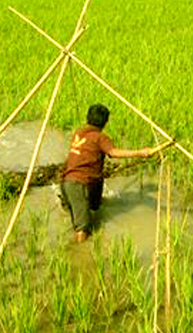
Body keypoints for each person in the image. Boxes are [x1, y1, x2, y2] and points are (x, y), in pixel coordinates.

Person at [60, 104, 170, 243]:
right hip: (78, 184)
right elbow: (113, 152)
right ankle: (80, 255)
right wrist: (140, 152)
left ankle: (81, 208)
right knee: (82, 227)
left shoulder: (78, 133)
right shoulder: (100, 137)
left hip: (67, 182)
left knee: (92, 205)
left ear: (87, 118)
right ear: (105, 122)